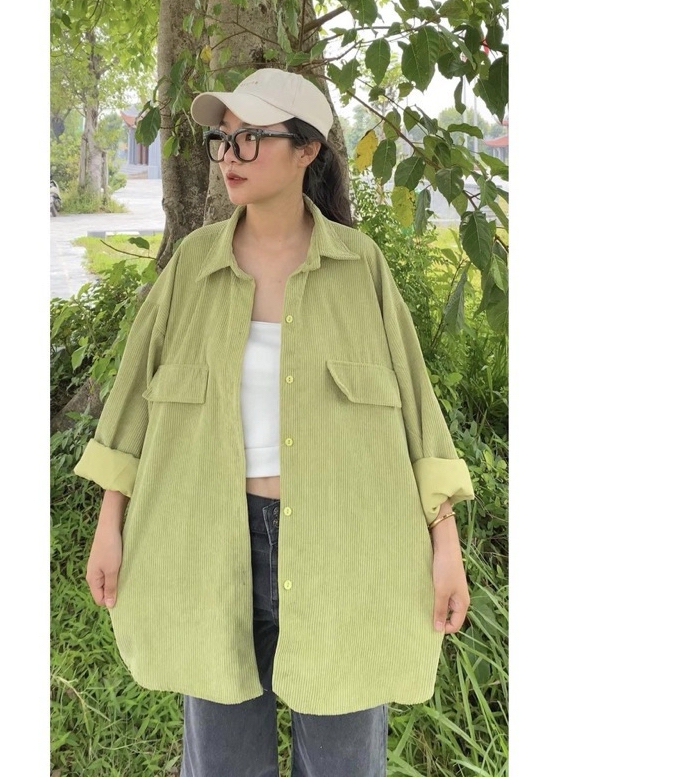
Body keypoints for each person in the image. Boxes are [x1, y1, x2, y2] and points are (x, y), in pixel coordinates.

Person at [73, 67, 475, 776]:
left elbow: (417, 414)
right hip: (208, 545)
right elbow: (134, 401)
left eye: (251, 138)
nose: (229, 155)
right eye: (223, 139)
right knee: (222, 763)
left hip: (348, 550)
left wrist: (446, 544)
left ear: (307, 150)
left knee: (344, 763)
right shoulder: (193, 267)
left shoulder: (360, 268)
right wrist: (111, 524)